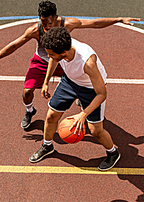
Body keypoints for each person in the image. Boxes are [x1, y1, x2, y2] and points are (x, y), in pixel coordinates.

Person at [0, 0, 139, 129]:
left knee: (77, 81)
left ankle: (82, 101)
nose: (47, 26)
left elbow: (95, 23)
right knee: (27, 91)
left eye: (50, 22)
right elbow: (15, 44)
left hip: (63, 60)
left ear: (56, 17)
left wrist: (119, 19)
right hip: (41, 62)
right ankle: (30, 110)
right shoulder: (35, 30)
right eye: (43, 22)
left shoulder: (68, 24)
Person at [29, 27, 120, 171]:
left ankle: (113, 152)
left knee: (95, 130)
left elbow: (102, 94)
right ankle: (47, 145)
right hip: (69, 82)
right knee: (51, 115)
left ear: (64, 52)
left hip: (91, 89)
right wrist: (46, 81)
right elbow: (54, 60)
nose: (49, 56)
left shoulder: (87, 62)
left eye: (51, 54)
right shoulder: (58, 50)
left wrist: (82, 115)